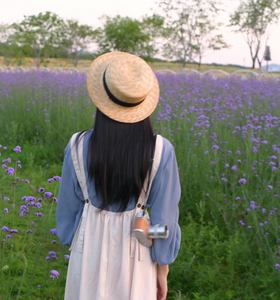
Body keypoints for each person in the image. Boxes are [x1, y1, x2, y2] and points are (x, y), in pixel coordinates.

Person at [56, 52, 181, 300]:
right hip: (138, 251)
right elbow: (164, 222)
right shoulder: (160, 150)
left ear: (101, 99)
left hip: (87, 249)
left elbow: (67, 216)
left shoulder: (76, 145)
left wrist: (83, 239)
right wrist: (161, 264)